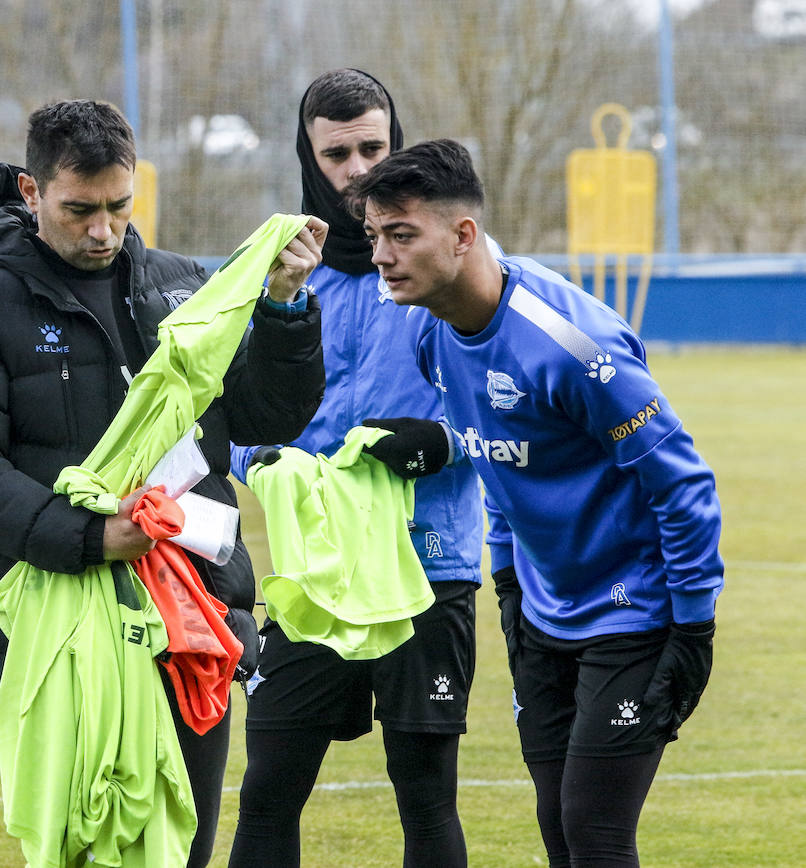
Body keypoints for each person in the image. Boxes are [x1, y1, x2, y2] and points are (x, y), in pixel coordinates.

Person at [0, 98, 327, 867]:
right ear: (32, 194)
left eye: (119, 207)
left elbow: (269, 413)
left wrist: (283, 308)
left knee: (183, 845)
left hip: (191, 619)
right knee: (83, 847)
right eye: (80, 210)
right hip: (55, 631)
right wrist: (93, 538)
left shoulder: (182, 286)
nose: (103, 230)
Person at [349, 138, 723, 866]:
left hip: (635, 610)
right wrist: (513, 584)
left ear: (463, 235)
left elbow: (682, 482)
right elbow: (496, 458)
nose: (382, 257)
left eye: (401, 235)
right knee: (557, 825)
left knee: (595, 829)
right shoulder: (431, 333)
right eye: (374, 237)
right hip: (544, 614)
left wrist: (694, 628)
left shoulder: (571, 345)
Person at [227, 69, 482, 868]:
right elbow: (226, 408)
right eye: (337, 152)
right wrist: (261, 460)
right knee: (268, 784)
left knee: (425, 794)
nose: (358, 168)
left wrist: (447, 441)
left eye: (373, 147)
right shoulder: (274, 269)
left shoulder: (448, 261)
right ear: (308, 157)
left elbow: (513, 401)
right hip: (317, 568)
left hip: (428, 564)